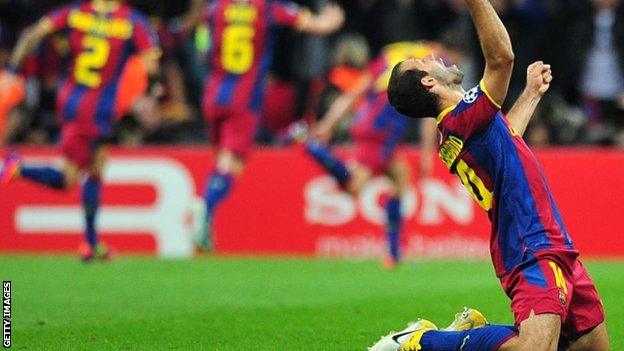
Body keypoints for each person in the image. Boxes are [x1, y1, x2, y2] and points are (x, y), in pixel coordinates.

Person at [371, 0, 610, 350]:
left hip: (552, 242)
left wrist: (529, 95)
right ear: (427, 82)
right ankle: (426, 341)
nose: (434, 58)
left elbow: (506, 136)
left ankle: (464, 331)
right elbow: (502, 58)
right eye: (424, 62)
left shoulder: (459, 126)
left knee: (590, 347)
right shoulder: (461, 118)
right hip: (531, 246)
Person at [0, 0, 162, 261]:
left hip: (72, 98)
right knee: (69, 177)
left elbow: (32, 34)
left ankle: (91, 242)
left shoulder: (75, 13)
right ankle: (15, 168)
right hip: (97, 106)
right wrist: (153, 92)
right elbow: (152, 63)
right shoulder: (132, 21)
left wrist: (12, 71)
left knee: (96, 165)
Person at [197, 0, 344, 250]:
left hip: (213, 94)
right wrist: (336, 18)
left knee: (221, 159)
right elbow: (318, 26)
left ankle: (205, 216)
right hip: (243, 99)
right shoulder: (268, 8)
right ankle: (204, 207)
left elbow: (202, 47)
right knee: (233, 163)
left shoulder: (215, 8)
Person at [303, 39, 440, 268]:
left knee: (400, 178)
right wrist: (428, 153)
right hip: (382, 131)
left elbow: (357, 91)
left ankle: (394, 252)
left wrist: (328, 124)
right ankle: (311, 148)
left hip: (372, 124)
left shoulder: (393, 53)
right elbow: (430, 114)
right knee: (355, 186)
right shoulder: (434, 63)